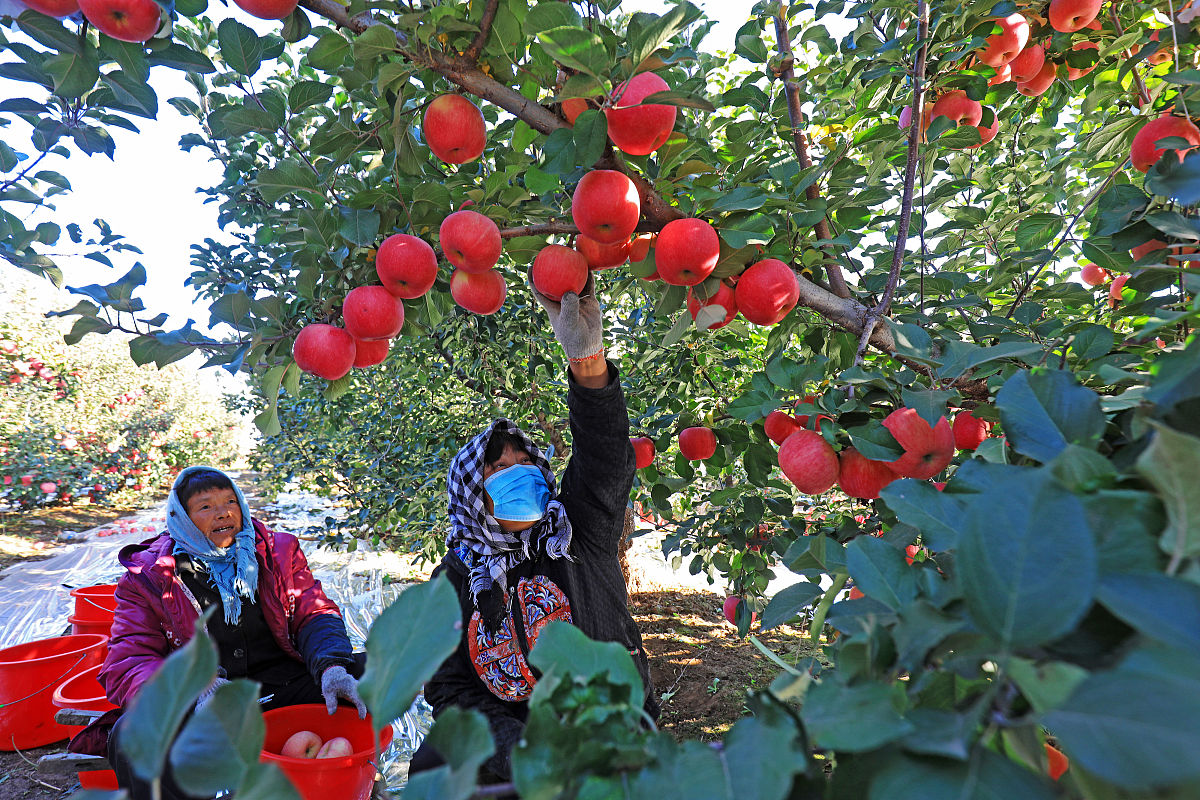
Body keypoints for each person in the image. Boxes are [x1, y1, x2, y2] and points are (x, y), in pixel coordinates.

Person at [408, 275, 659, 784]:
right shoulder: (455, 579)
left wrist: (588, 364)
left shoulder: (578, 531)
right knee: (431, 764)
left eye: (526, 462)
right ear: (472, 496)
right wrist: (521, 749)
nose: (520, 473)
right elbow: (450, 688)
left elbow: (605, 460)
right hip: (519, 747)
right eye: (500, 468)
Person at [85, 466, 366, 800]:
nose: (223, 513)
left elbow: (313, 612)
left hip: (283, 686)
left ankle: (338, 782)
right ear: (181, 517)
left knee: (371, 674)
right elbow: (129, 661)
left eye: (230, 502)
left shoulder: (276, 552)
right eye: (206, 506)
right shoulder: (151, 577)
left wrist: (332, 667)